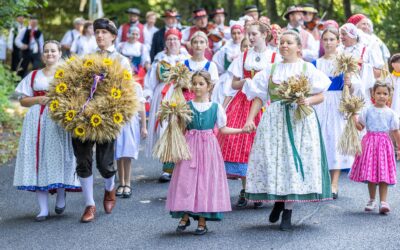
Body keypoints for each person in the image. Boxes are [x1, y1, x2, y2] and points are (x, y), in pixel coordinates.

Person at [242, 30, 332, 231]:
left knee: (293, 163)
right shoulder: (270, 69)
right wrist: (250, 120)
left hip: (299, 120)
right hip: (275, 120)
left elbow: (321, 95)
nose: (284, 45)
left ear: (298, 47)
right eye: (282, 42)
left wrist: (306, 100)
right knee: (277, 161)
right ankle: (278, 202)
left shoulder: (307, 68)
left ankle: (288, 211)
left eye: (289, 42)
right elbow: (258, 97)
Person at [167, 70, 242, 235]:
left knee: (205, 182)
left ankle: (202, 219)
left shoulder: (216, 107)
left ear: (209, 86)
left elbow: (223, 129)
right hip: (190, 146)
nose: (197, 87)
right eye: (194, 83)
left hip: (208, 148)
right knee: (186, 180)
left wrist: (241, 130)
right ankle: (185, 214)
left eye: (201, 83)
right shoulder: (186, 107)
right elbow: (180, 129)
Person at [13, 40, 81, 222]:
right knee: (38, 159)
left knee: (57, 156)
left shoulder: (66, 75)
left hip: (57, 120)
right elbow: (22, 100)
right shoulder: (34, 75)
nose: (49, 54)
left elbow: (76, 97)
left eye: (53, 51)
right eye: (46, 51)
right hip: (36, 122)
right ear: (42, 55)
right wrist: (38, 100)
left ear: (60, 53)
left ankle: (60, 193)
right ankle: (43, 209)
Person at [73, 18, 131, 223]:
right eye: (97, 32)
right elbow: (76, 84)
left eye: (104, 32)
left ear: (113, 36)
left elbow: (127, 90)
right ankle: (90, 205)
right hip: (84, 115)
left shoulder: (122, 61)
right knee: (83, 159)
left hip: (107, 116)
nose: (99, 36)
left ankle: (109, 189)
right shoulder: (86, 58)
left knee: (105, 164)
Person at [218, 21, 280, 208]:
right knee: (243, 144)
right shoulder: (244, 56)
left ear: (264, 34)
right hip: (244, 102)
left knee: (263, 145)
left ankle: (261, 188)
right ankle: (246, 188)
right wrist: (246, 80)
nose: (251, 37)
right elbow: (233, 84)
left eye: (254, 34)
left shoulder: (274, 56)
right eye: (249, 34)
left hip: (265, 103)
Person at [313, 28, 362, 199]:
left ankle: (334, 183)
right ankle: (320, 181)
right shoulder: (315, 63)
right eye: (325, 39)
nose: (328, 42)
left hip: (337, 102)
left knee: (334, 139)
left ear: (337, 41)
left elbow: (357, 85)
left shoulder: (345, 62)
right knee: (319, 139)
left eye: (332, 39)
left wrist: (350, 82)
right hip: (319, 102)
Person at [144, 28, 190, 182]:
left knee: (181, 128)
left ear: (180, 40)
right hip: (163, 95)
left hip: (181, 94)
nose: (172, 42)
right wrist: (148, 94)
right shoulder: (159, 58)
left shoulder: (186, 59)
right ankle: (167, 167)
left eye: (175, 39)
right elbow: (151, 79)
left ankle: (181, 165)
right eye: (169, 39)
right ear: (165, 42)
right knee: (165, 129)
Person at [349, 81, 400, 214]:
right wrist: (354, 118)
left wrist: (399, 147)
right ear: (373, 94)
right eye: (378, 93)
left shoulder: (391, 113)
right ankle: (372, 200)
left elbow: (395, 131)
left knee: (383, 174)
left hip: (384, 146)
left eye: (385, 93)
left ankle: (383, 202)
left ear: (389, 96)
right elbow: (361, 127)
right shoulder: (367, 110)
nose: (381, 96)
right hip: (370, 144)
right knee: (371, 174)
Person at [115, 83, 147, 198]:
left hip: (130, 123)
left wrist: (144, 126)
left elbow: (141, 107)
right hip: (117, 123)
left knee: (127, 154)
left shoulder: (135, 86)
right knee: (118, 154)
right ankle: (121, 182)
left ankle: (127, 183)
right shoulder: (114, 84)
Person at [339, 23, 384, 105]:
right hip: (341, 91)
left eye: (344, 34)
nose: (341, 37)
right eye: (340, 34)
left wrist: (362, 66)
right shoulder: (338, 51)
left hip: (362, 92)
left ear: (352, 35)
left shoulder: (366, 50)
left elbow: (378, 72)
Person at [212, 22, 244, 104]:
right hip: (227, 77)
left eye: (238, 33)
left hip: (241, 78)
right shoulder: (225, 48)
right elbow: (218, 63)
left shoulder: (246, 46)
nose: (236, 36)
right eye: (234, 33)